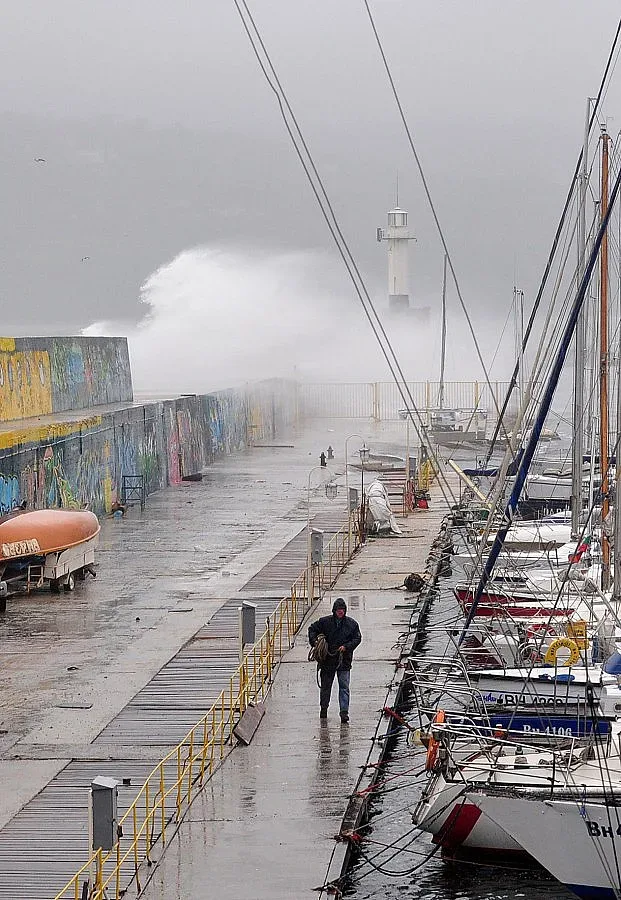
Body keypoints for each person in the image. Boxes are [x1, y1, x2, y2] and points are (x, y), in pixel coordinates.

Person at [308, 597, 362, 722]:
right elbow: (312, 629)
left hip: (344, 661)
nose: (340, 612)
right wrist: (315, 642)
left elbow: (357, 638)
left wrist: (346, 647)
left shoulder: (352, 624)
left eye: (342, 609)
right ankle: (324, 709)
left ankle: (344, 712)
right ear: (334, 610)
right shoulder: (325, 622)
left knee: (344, 687)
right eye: (338, 610)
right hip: (327, 661)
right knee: (326, 687)